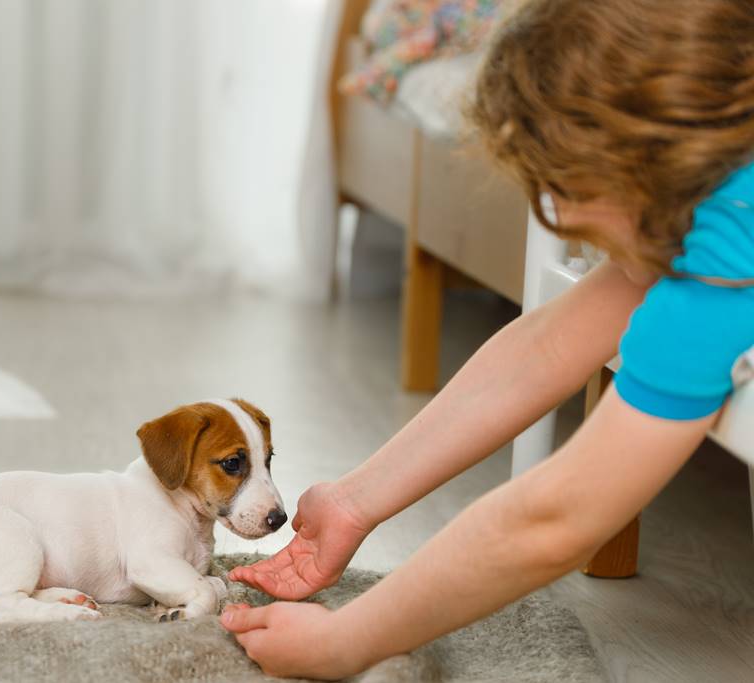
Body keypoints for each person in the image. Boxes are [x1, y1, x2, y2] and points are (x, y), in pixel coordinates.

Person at [219, 0, 754, 678]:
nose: (557, 212)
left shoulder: (725, 263)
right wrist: (357, 499)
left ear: (634, 150)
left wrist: (342, 641)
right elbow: (547, 346)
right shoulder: (710, 185)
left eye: (560, 183)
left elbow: (556, 517)